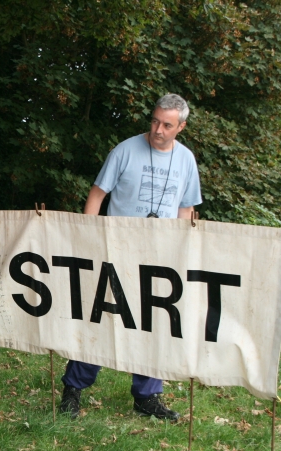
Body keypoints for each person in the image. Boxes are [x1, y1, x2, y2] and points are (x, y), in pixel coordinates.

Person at [59, 93, 202, 421]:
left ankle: (147, 397)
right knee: (99, 319)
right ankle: (73, 389)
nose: (158, 130)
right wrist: (89, 239)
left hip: (161, 258)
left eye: (167, 125)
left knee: (152, 325)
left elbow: (186, 209)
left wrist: (183, 250)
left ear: (181, 127)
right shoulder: (124, 151)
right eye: (154, 121)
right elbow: (97, 195)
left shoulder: (186, 160)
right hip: (116, 251)